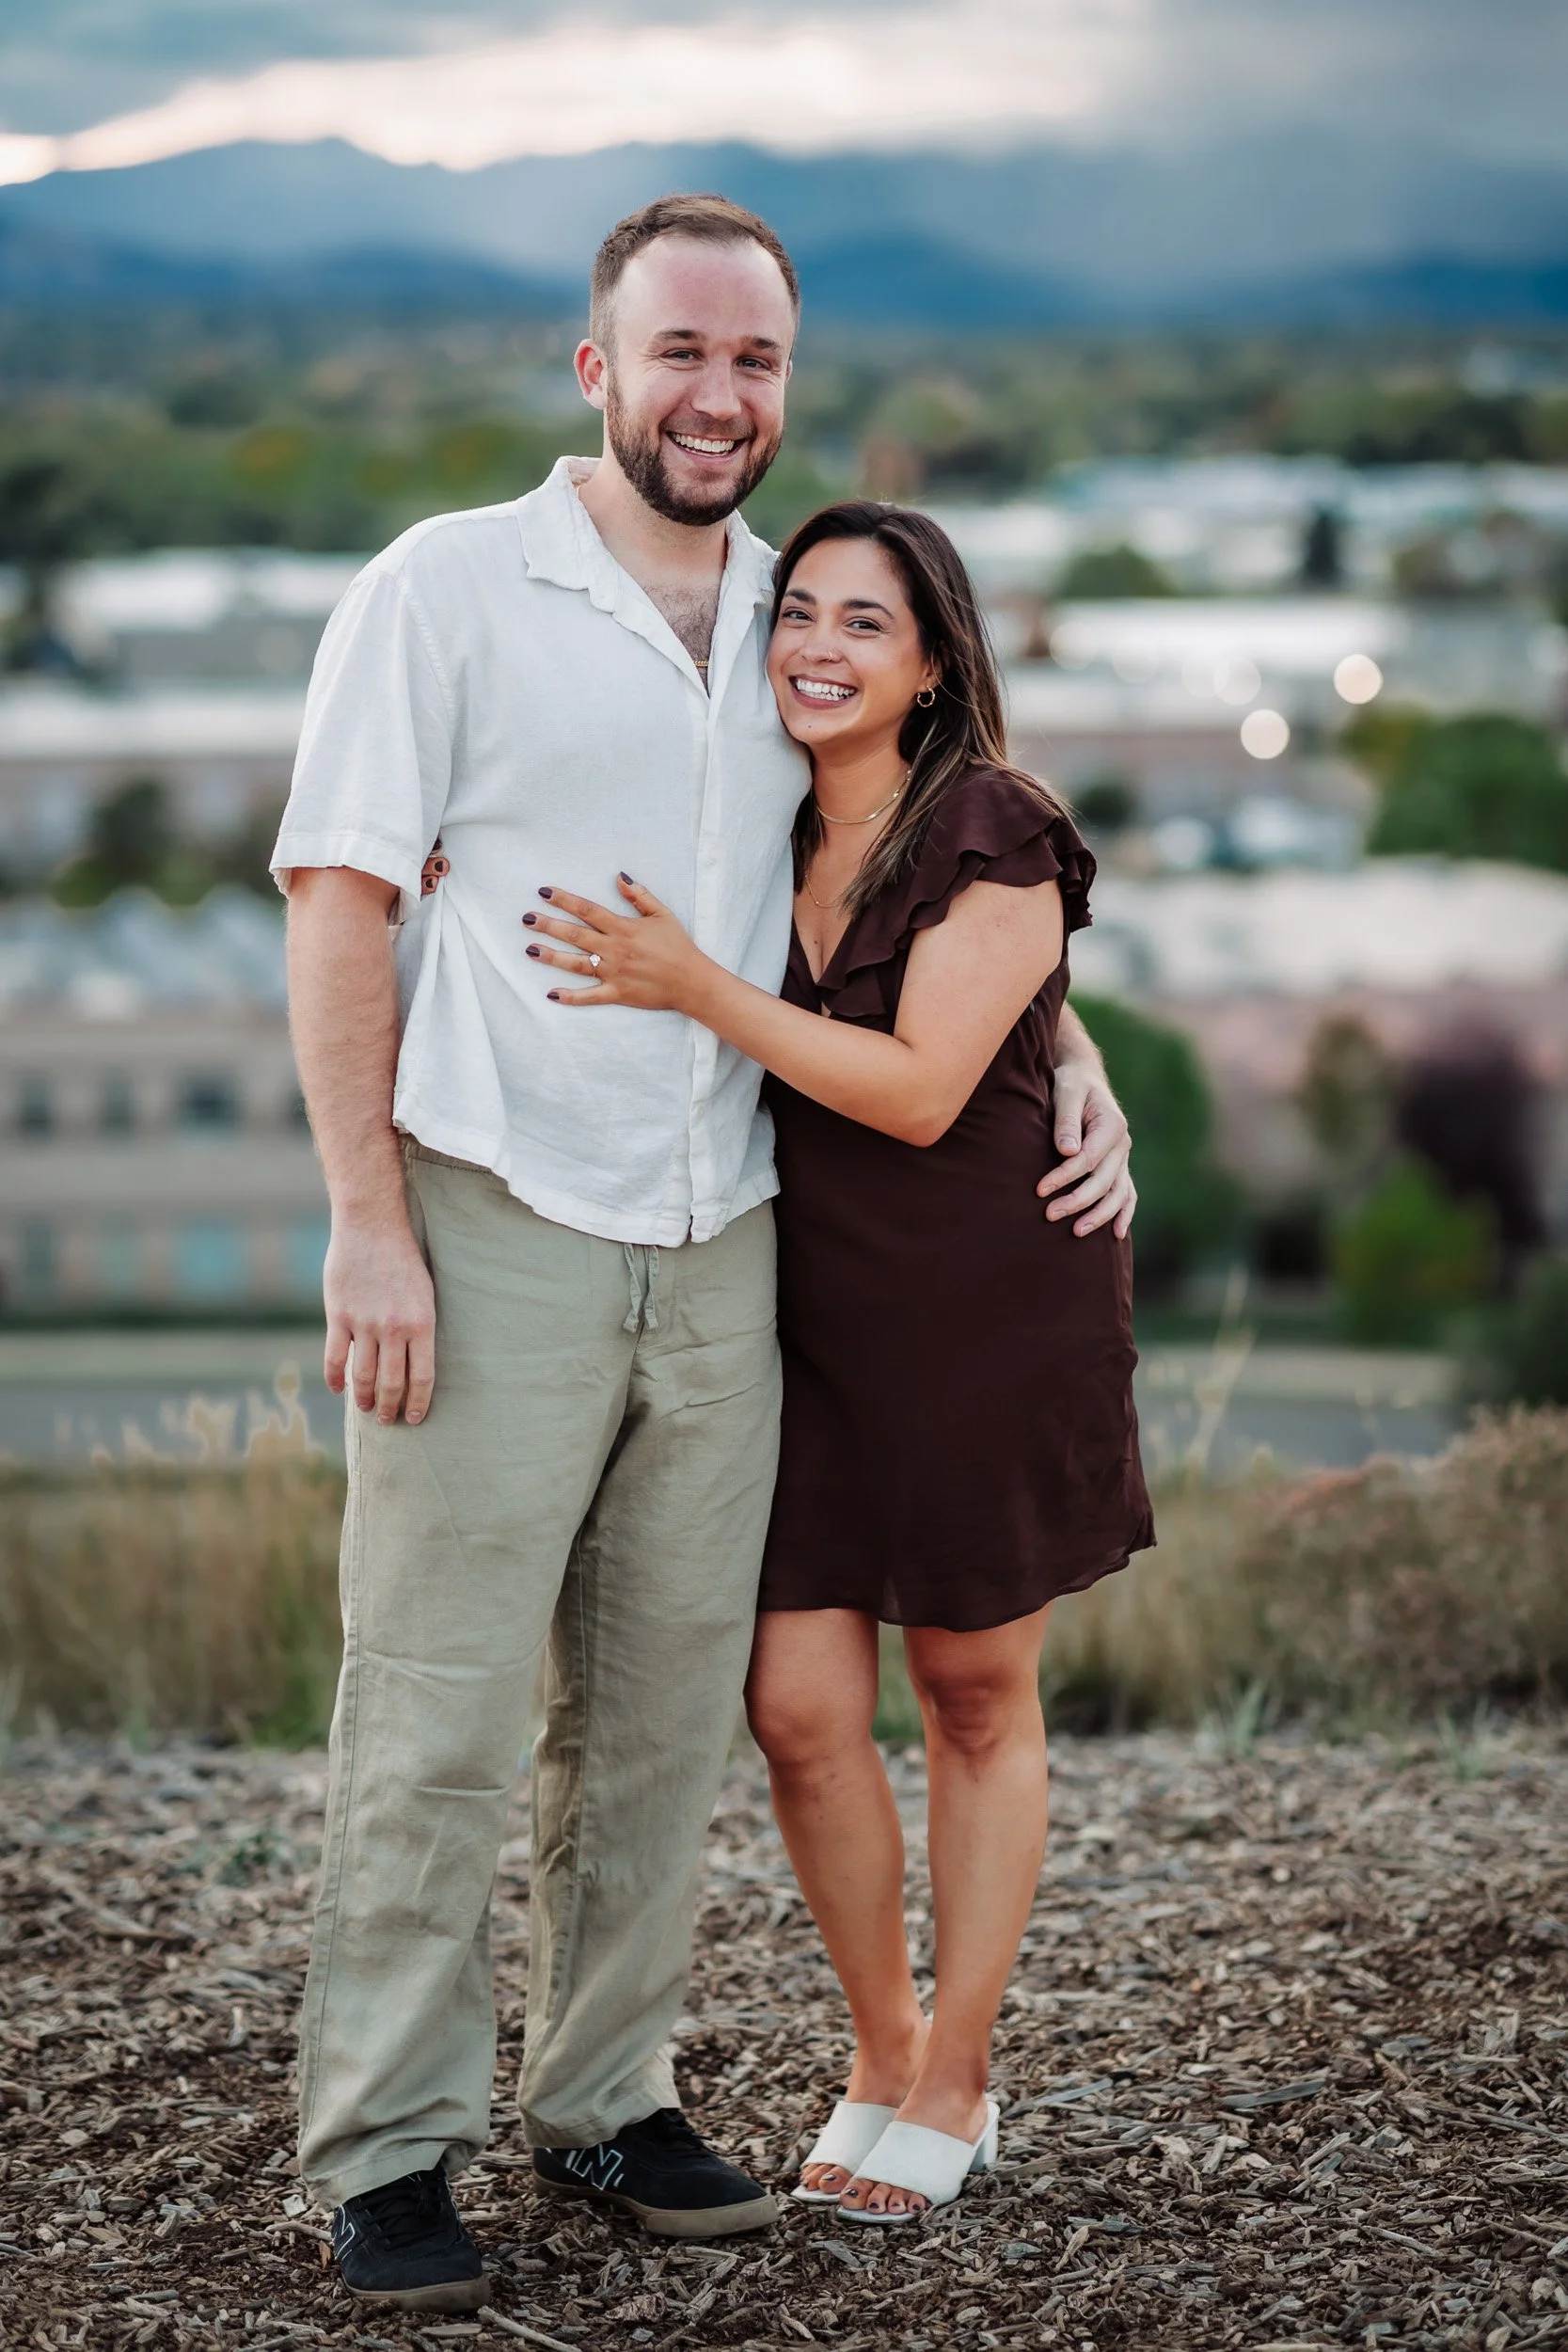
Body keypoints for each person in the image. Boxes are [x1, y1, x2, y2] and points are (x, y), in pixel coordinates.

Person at [274, 196, 1136, 2313]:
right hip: (495, 1212)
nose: (715, 394)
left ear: (782, 382)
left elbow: (915, 852)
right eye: (677, 352)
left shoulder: (795, 620)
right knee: (443, 1708)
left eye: (751, 361)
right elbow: (338, 900)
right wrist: (366, 1220)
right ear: (596, 365)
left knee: (670, 1717)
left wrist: (1067, 1044)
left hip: (734, 1237)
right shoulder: (448, 589)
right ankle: (390, 2143)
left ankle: (603, 2092)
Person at [523, 501, 1154, 2226]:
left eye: (864, 623)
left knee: (967, 1692)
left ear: (935, 657)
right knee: (797, 1710)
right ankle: (880, 2048)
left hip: (984, 1310)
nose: (815, 644)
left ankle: (957, 2072)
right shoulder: (757, 809)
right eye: (796, 610)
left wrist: (687, 987)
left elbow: (918, 1086)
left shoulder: (990, 817)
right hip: (800, 1317)